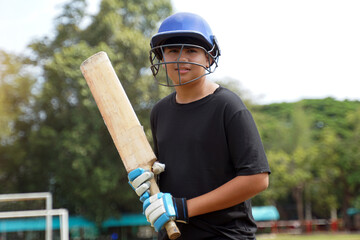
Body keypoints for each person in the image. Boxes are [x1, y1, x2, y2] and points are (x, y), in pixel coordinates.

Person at [128, 12, 271, 240]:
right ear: (161, 58)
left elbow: (257, 179)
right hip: (174, 235)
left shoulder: (227, 106)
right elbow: (175, 172)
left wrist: (184, 208)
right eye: (173, 50)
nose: (180, 58)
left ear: (209, 58)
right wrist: (148, 180)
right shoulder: (159, 112)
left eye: (192, 51)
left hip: (225, 235)